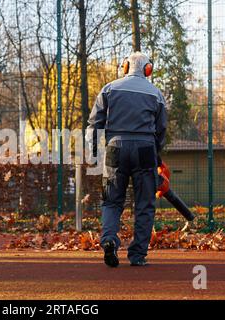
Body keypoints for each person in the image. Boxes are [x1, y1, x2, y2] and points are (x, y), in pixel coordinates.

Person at [86, 51, 167, 267]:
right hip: (145, 149)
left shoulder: (109, 89)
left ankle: (110, 240)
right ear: (148, 70)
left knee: (112, 200)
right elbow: (161, 130)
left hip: (116, 148)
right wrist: (156, 157)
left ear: (125, 67)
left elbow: (94, 125)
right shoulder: (156, 94)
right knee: (145, 204)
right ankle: (138, 255)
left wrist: (93, 153)